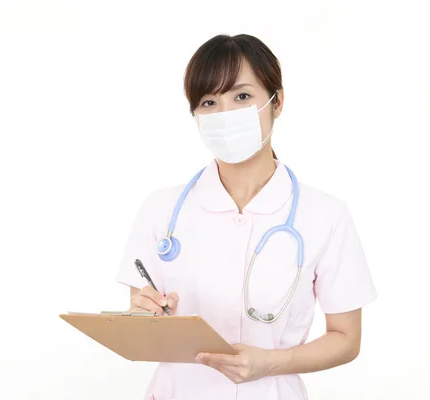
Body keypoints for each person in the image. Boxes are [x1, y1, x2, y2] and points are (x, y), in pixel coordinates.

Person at [115, 33, 377, 400]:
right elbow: (140, 324)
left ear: (277, 102)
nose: (225, 115)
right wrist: (146, 316)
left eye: (241, 96)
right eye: (208, 101)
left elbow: (347, 339)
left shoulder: (326, 216)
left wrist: (271, 363)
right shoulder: (160, 210)